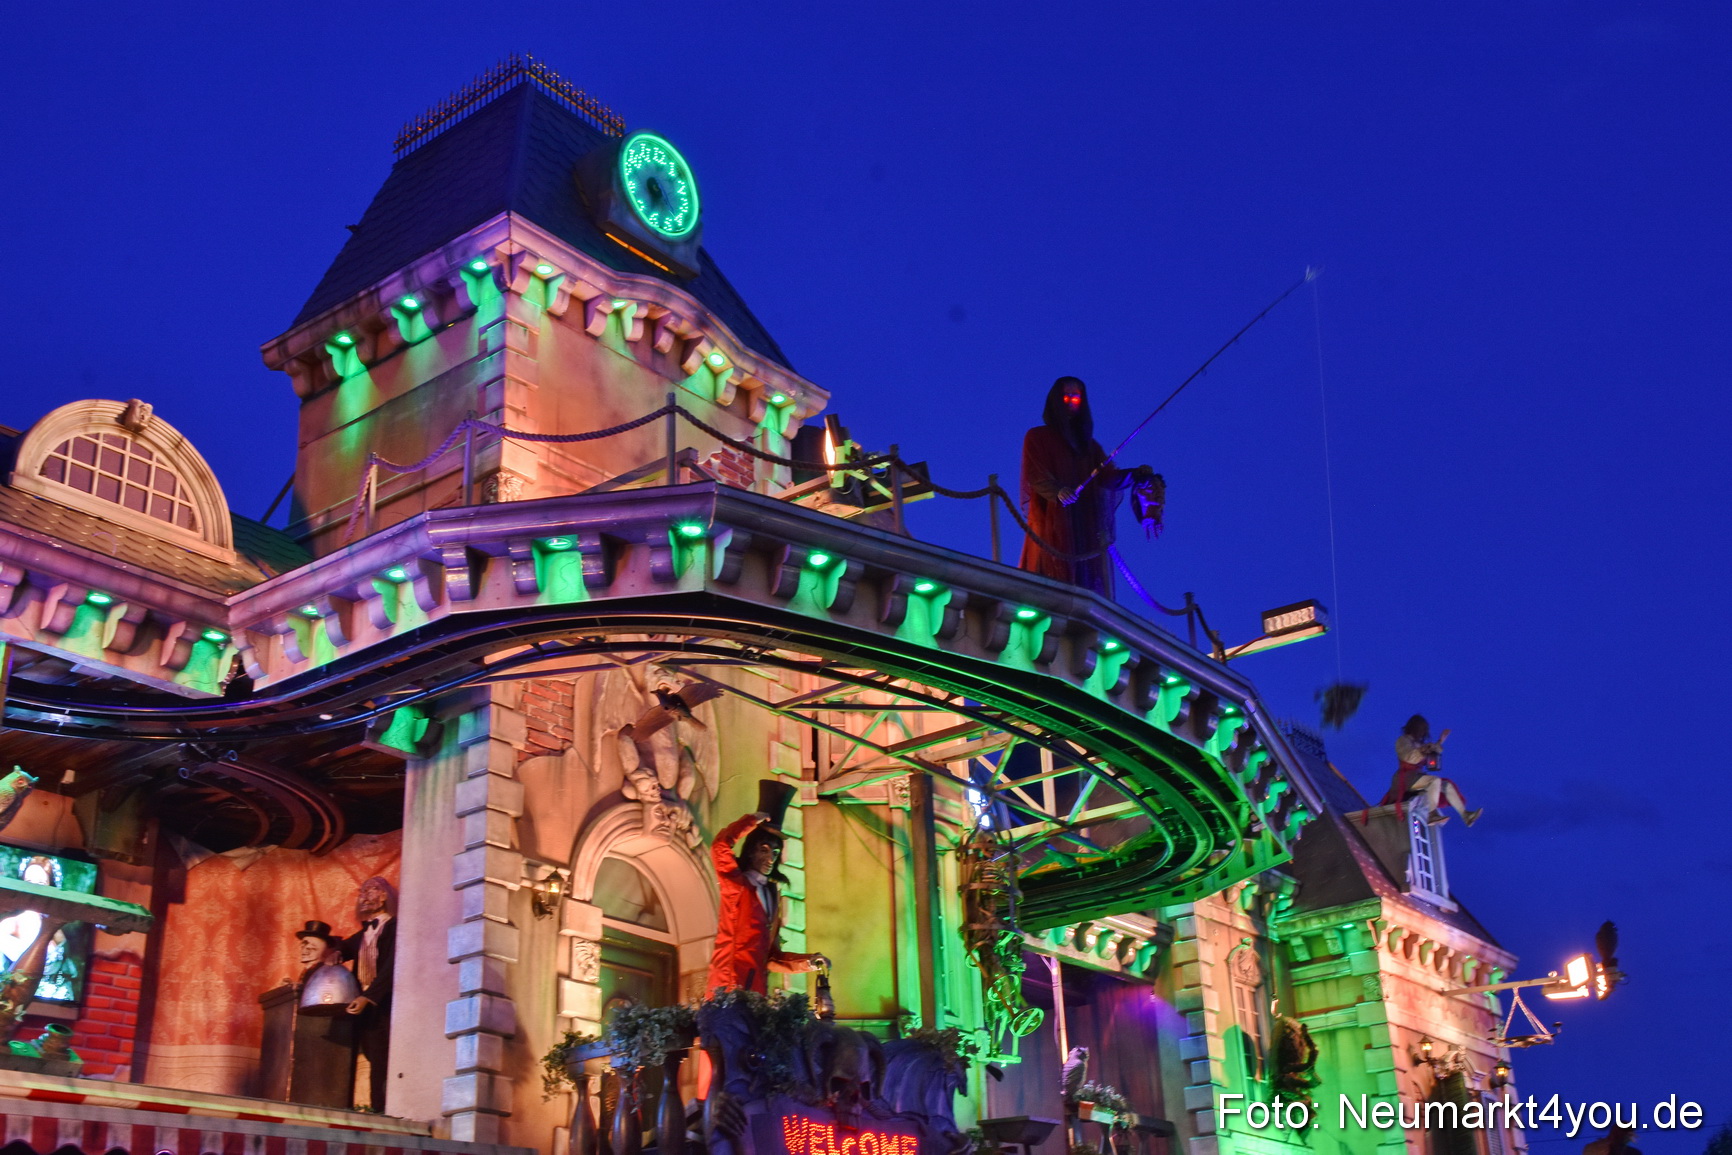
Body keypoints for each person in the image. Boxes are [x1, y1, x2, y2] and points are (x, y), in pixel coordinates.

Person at [1018, 377, 1162, 596]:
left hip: (1085, 527)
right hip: (1052, 525)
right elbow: (1036, 475)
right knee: (1052, 578)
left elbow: (1108, 478)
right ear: (1056, 400)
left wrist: (1135, 474)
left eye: (1076, 396)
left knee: (1087, 584)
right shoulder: (1037, 437)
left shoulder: (1090, 447)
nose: (1071, 401)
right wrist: (1057, 492)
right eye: (1066, 396)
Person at [705, 780, 827, 995]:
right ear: (751, 851)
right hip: (728, 986)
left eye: (775, 853)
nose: (770, 858)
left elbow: (771, 958)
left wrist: (809, 962)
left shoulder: (772, 895)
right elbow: (720, 847)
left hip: (756, 992)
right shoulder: (737, 885)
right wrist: (751, 820)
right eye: (764, 850)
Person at [340, 877, 396, 1112]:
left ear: (384, 896)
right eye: (361, 891)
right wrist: (331, 953)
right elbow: (340, 948)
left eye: (370, 890)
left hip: (386, 1005)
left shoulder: (394, 928)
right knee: (372, 1056)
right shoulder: (362, 935)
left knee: (383, 1059)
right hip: (366, 1009)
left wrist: (369, 996)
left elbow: (391, 967)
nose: (363, 896)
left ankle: (381, 1109)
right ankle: (367, 1106)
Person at [1384, 715, 1481, 826]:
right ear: (1415, 728)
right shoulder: (1403, 741)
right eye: (1421, 729)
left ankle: (1465, 815)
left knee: (1447, 785)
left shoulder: (1419, 744)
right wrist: (1424, 750)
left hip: (1418, 776)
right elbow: (1409, 757)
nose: (1422, 733)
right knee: (1434, 781)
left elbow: (1431, 752)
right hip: (1406, 778)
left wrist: (1440, 742)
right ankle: (1432, 814)